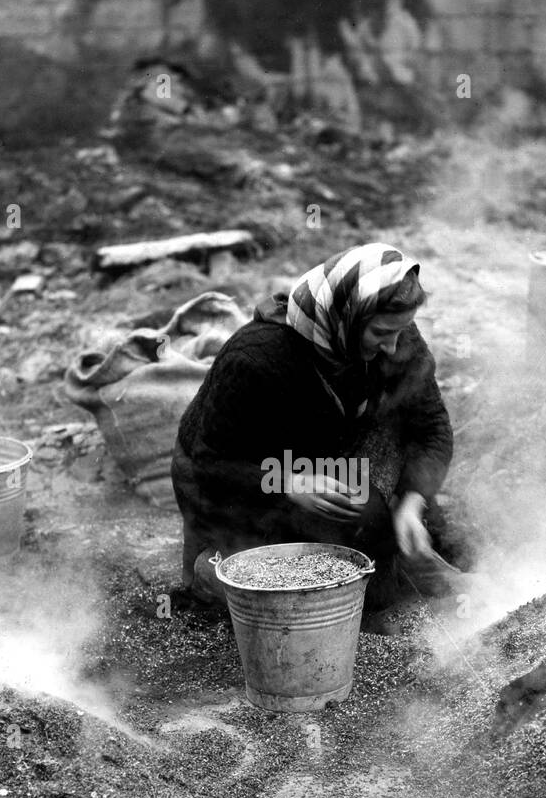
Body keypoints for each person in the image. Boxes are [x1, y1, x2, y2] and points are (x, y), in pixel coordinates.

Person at [171, 242, 455, 615]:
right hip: (240, 478)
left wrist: (411, 502)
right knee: (325, 583)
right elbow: (209, 465)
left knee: (398, 525)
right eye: (381, 333)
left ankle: (399, 556)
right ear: (348, 317)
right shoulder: (257, 357)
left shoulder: (395, 338)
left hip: (323, 454)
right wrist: (289, 483)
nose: (392, 346)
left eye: (400, 331)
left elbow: (431, 427)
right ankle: (213, 567)